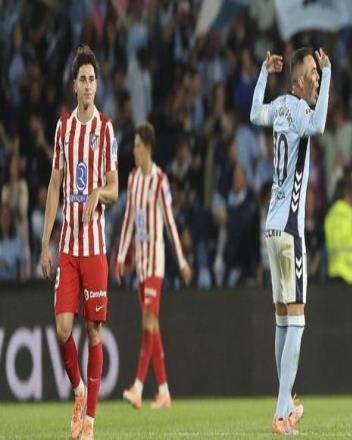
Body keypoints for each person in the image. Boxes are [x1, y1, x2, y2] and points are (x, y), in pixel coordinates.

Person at [250, 47, 331, 434]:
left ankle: (285, 405)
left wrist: (263, 74)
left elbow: (255, 113)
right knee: (296, 322)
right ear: (298, 81)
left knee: (283, 321)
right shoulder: (298, 110)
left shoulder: (280, 106)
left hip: (271, 228)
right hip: (291, 229)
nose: (316, 77)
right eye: (312, 72)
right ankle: (282, 412)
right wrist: (330, 77)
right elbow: (320, 125)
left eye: (318, 72)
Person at [40, 45, 119, 440]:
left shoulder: (105, 129)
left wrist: (97, 194)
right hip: (69, 247)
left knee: (94, 333)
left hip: (95, 249)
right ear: (74, 86)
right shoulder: (63, 128)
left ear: (96, 86)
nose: (88, 86)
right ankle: (78, 391)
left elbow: (114, 188)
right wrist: (45, 242)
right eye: (82, 80)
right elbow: (55, 184)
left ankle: (89, 421)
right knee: (61, 330)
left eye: (92, 80)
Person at [115, 122, 192, 410]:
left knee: (148, 321)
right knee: (151, 324)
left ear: (147, 148)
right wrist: (121, 257)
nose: (133, 151)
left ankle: (137, 386)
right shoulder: (133, 179)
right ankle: (164, 391)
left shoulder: (160, 180)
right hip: (141, 265)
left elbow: (170, 222)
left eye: (137, 146)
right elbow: (128, 221)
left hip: (156, 262)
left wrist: (181, 260)